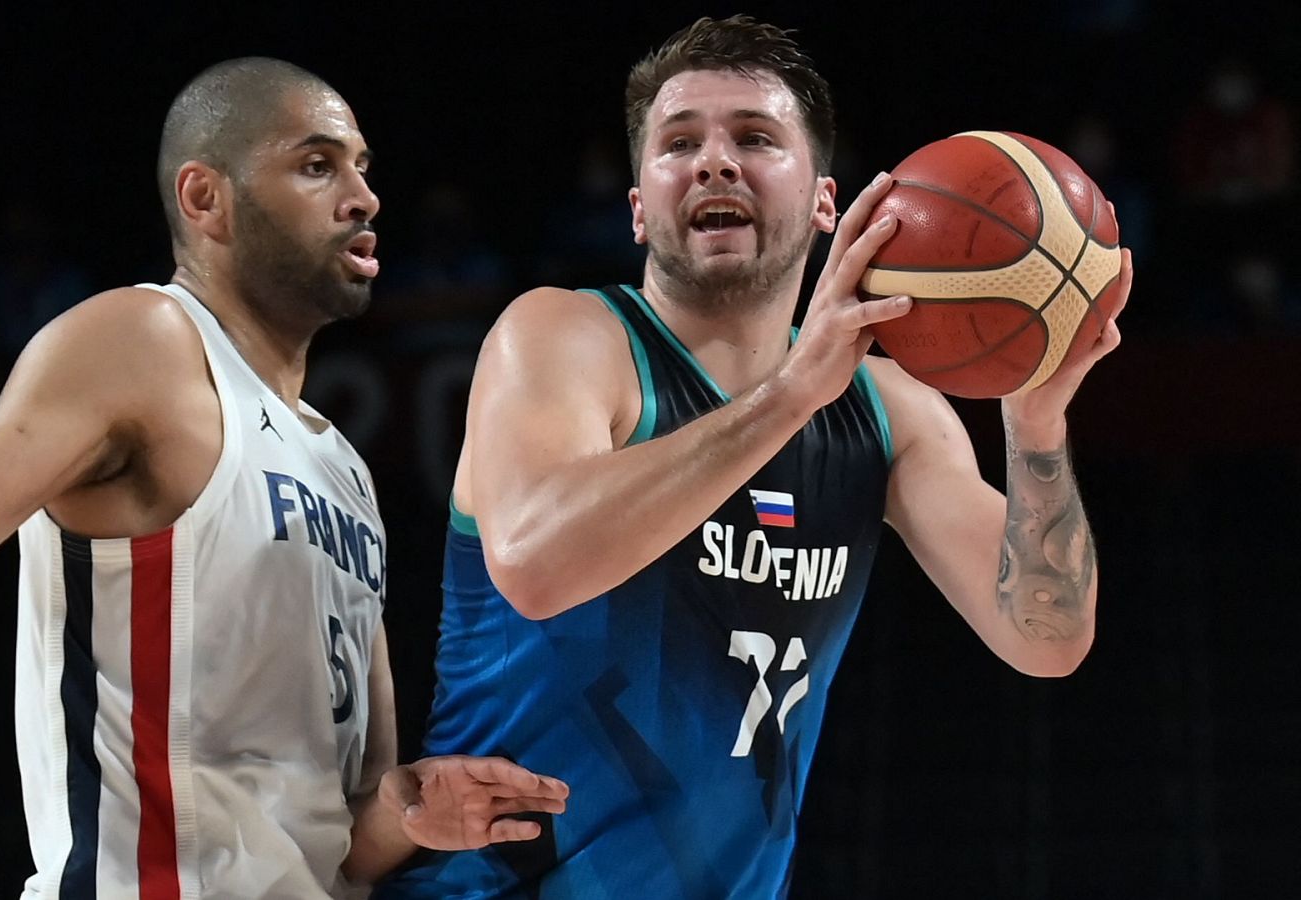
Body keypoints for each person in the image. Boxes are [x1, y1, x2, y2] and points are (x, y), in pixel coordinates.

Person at [376, 16, 1131, 899]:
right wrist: (788, 397)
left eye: (756, 138)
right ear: (637, 208)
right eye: (679, 142)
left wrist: (1035, 429)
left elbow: (1046, 640)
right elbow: (537, 567)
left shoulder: (892, 413)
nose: (714, 161)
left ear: (825, 201)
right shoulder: (565, 336)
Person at [0, 58, 567, 899]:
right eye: (318, 166)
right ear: (206, 198)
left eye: (361, 168)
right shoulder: (141, 343)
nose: (363, 197)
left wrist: (414, 811)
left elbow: (350, 830)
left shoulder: (343, 466)